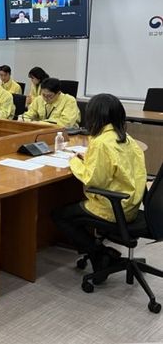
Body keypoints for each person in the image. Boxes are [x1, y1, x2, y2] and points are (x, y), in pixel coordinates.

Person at [52, 94, 146, 278]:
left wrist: (74, 161)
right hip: (132, 204)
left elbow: (93, 180)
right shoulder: (126, 138)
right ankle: (101, 254)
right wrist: (88, 159)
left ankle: (99, 254)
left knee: (60, 215)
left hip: (112, 207)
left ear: (95, 116)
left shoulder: (102, 142)